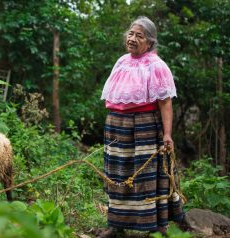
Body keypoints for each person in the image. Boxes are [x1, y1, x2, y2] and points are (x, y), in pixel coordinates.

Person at [100, 16, 184, 236]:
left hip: (144, 127)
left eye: (139, 35)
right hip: (117, 127)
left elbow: (165, 102)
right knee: (118, 174)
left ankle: (157, 226)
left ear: (150, 42)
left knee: (144, 175)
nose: (133, 38)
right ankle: (116, 225)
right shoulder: (121, 62)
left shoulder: (157, 66)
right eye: (130, 33)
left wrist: (167, 134)